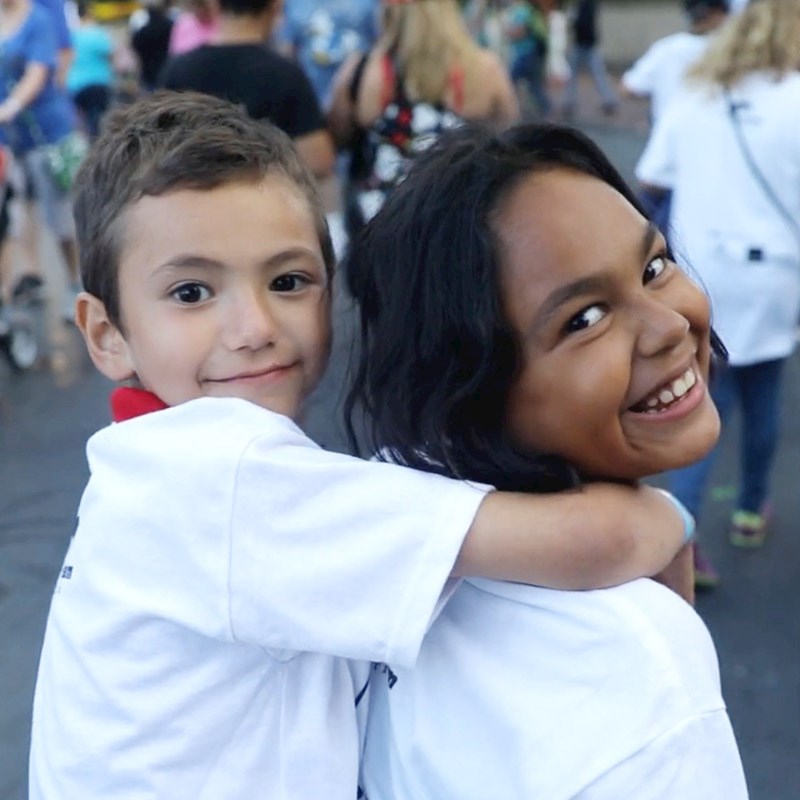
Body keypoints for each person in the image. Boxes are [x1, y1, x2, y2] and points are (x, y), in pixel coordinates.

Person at [29, 91, 694, 800]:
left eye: (288, 281)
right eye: (192, 293)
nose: (253, 325)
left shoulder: (145, 476)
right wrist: (665, 520)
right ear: (106, 334)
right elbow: (594, 544)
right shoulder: (216, 478)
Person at [345, 123, 748, 799]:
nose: (670, 325)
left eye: (653, 267)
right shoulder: (641, 678)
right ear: (468, 393)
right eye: (584, 319)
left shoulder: (379, 518)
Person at [636, 0, 800, 586]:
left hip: (703, 275)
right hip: (774, 276)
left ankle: (683, 538)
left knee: (702, 405)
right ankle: (752, 509)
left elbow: (653, 178)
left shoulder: (697, 95)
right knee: (763, 399)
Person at [327, 0, 518, 247]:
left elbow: (336, 137)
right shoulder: (485, 70)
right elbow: (508, 136)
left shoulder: (361, 71)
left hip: (379, 231)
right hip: (456, 228)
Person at [160, 0, 335, 179]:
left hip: (190, 196)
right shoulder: (285, 75)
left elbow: (157, 147)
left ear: (215, 5)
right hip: (262, 199)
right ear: (274, 6)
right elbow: (318, 160)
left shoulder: (179, 70)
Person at [0, 0, 81, 320]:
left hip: (47, 135)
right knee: (16, 216)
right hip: (10, 141)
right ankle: (27, 281)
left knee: (60, 217)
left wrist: (11, 106)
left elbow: (38, 72)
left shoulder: (38, 19)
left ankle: (75, 282)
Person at [622, 0, 729, 238]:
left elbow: (628, 87)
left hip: (662, 162)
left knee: (648, 245)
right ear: (720, 14)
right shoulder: (732, 56)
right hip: (711, 167)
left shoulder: (667, 49)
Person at [275, 0, 379, 110]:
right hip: (309, 100)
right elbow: (285, 51)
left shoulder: (370, 3)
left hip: (355, 101)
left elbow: (380, 48)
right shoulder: (294, 3)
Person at [560, 0, 618, 118]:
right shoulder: (584, 4)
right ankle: (569, 102)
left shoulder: (587, 4)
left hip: (585, 44)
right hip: (584, 43)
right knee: (580, 74)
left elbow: (583, 23)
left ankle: (609, 100)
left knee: (589, 74)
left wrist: (573, 24)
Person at [66, 0, 114, 139]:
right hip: (98, 83)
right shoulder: (96, 33)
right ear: (88, 13)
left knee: (85, 120)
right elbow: (110, 54)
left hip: (76, 86)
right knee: (101, 120)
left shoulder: (71, 36)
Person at [504, 0, 552, 116]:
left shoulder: (522, 11)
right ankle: (546, 109)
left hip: (525, 54)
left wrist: (509, 32)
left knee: (510, 82)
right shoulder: (527, 10)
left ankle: (511, 109)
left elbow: (520, 31)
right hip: (530, 54)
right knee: (534, 87)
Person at [129, 0, 175, 92]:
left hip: (148, 75)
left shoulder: (142, 33)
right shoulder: (171, 27)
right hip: (169, 71)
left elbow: (135, 49)